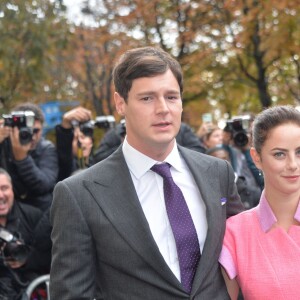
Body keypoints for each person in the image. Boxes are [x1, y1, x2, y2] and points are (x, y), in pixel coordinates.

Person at [50, 46, 244, 299]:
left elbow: (245, 256)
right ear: (121, 103)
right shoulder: (79, 194)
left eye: (172, 97)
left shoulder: (218, 172)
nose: (163, 108)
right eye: (147, 98)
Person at [219, 105, 300, 300]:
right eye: (279, 154)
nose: (293, 164)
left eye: (299, 152)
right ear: (257, 158)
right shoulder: (234, 233)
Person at [0, 103, 58, 210]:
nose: (32, 136)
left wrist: (22, 159)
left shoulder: (46, 148)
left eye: (36, 131)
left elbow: (44, 185)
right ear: (12, 128)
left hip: (38, 212)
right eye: (26, 130)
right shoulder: (4, 144)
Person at [0, 168, 46, 299]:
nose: (0, 195)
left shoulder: (33, 215)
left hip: (34, 289)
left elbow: (53, 255)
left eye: (4, 188)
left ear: (12, 189)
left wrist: (28, 258)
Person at [93, 120, 206, 163]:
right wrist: (126, 146)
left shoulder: (181, 129)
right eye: (146, 99)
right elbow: (98, 157)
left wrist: (170, 152)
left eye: (171, 97)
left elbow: (199, 151)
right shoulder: (115, 133)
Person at [55, 106, 94, 181]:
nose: (80, 142)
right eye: (76, 139)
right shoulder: (66, 167)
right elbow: (64, 154)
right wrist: (65, 124)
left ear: (91, 142)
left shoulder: (99, 161)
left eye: (83, 137)